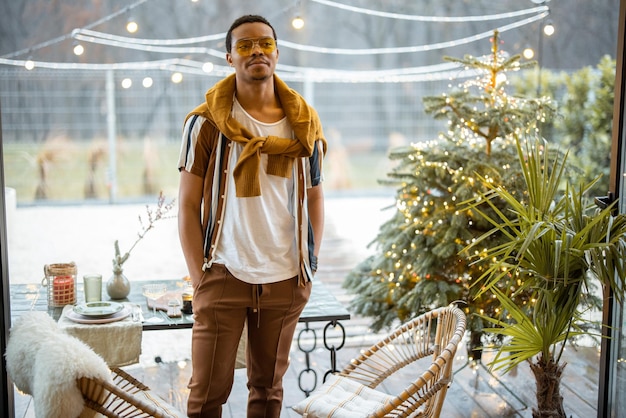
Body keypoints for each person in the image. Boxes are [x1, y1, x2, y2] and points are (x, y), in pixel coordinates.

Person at [177, 14, 326, 418]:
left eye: (264, 43)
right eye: (245, 45)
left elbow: (314, 196)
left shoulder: (304, 123)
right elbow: (188, 205)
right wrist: (199, 277)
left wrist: (308, 263)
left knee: (267, 391)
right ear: (229, 57)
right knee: (206, 396)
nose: (256, 51)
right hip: (223, 274)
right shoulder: (205, 123)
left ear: (277, 52)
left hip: (285, 280)